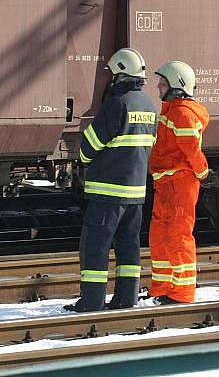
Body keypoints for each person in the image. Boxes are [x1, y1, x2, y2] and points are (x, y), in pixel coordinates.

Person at [66, 48, 157, 312]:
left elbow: (90, 146)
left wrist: (84, 157)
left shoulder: (118, 104)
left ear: (120, 74)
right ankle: (127, 298)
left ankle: (92, 301)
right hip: (136, 193)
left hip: (108, 193)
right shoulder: (149, 106)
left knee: (96, 246)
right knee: (129, 247)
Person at [148, 61, 210, 304]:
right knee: (160, 234)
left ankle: (182, 292)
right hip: (166, 181)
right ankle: (163, 286)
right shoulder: (172, 110)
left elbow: (191, 150)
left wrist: (202, 171)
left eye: (162, 83)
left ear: (176, 85)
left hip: (179, 182)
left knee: (178, 234)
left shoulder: (182, 113)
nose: (158, 87)